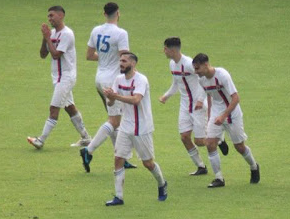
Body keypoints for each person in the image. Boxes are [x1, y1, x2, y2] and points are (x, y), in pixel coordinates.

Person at [102, 53, 167, 206]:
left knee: (148, 163)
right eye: (120, 61)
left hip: (142, 127)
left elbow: (136, 100)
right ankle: (119, 197)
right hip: (125, 126)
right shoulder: (118, 79)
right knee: (118, 159)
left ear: (133, 63)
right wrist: (110, 96)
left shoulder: (141, 80)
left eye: (124, 61)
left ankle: (162, 184)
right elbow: (111, 103)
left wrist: (115, 96)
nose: (121, 64)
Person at [78, 2, 136, 171]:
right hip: (113, 81)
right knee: (114, 120)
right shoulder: (121, 33)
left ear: (104, 13)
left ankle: (122, 156)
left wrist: (105, 59)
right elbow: (124, 59)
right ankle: (88, 151)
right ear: (118, 13)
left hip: (99, 78)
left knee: (115, 118)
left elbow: (89, 55)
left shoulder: (96, 30)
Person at [159, 38, 229, 175]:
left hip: (198, 106)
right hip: (184, 105)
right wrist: (166, 96)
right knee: (184, 137)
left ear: (172, 50)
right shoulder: (172, 64)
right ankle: (201, 166)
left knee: (199, 141)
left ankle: (219, 139)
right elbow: (176, 84)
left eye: (165, 48)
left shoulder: (189, 64)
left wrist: (200, 100)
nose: (163, 51)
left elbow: (204, 80)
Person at [27, 6, 91, 149]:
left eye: (52, 15)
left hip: (66, 77)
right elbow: (43, 55)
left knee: (53, 109)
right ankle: (86, 137)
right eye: (48, 16)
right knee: (70, 107)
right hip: (57, 77)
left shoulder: (67, 34)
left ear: (61, 16)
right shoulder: (53, 33)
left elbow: (56, 54)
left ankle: (40, 140)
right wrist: (45, 39)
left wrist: (48, 38)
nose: (49, 19)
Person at [192, 54, 259, 188]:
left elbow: (236, 98)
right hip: (217, 113)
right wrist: (211, 116)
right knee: (210, 144)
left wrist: (223, 115)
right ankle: (219, 178)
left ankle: (254, 166)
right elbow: (210, 97)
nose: (196, 72)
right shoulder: (202, 80)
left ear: (206, 65)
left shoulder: (223, 75)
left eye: (197, 68)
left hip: (232, 113)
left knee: (239, 147)